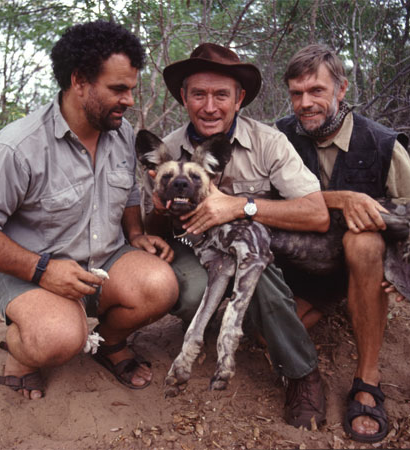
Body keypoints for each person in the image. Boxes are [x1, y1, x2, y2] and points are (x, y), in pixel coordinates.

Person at [0, 21, 178, 399]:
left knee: (161, 284)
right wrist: (42, 270)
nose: (130, 101)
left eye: (132, 89)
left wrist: (135, 234)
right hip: (33, 271)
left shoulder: (119, 131)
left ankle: (108, 342)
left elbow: (130, 191)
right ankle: (22, 357)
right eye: (118, 89)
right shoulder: (17, 147)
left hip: (103, 261)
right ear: (79, 81)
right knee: (57, 338)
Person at [141, 43, 331, 429]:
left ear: (239, 97)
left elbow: (317, 213)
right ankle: (206, 323)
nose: (210, 106)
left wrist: (239, 205)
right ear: (183, 96)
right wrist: (160, 207)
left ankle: (301, 372)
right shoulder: (167, 150)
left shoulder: (267, 142)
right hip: (198, 250)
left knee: (255, 267)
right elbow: (155, 226)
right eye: (199, 94)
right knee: (191, 289)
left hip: (259, 245)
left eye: (221, 95)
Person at [276, 43, 410, 443]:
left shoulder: (381, 142)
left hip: (362, 259)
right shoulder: (278, 137)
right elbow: (260, 205)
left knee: (364, 240)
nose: (305, 103)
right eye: (296, 93)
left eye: (316, 90)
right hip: (308, 265)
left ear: (341, 89)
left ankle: (367, 378)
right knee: (269, 338)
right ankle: (329, 302)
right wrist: (334, 200)